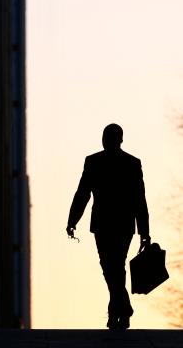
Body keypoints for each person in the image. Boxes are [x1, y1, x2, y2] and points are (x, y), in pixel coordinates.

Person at [66, 124, 151, 329]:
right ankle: (123, 309)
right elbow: (83, 194)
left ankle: (117, 313)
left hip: (112, 224)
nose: (107, 141)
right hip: (113, 225)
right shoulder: (104, 162)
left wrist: (145, 232)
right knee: (111, 267)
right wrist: (72, 220)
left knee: (112, 267)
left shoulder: (119, 163)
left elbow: (139, 199)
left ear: (118, 140)